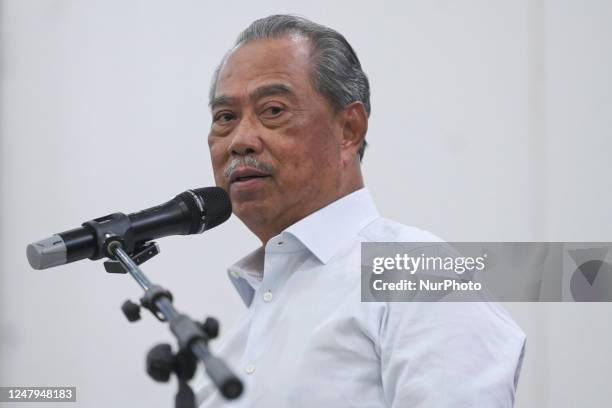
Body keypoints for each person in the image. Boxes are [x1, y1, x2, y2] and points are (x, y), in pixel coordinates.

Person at [196, 14, 525, 407]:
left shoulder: (420, 274)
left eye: (273, 110)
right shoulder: (232, 347)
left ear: (348, 129)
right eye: (225, 118)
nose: (241, 141)